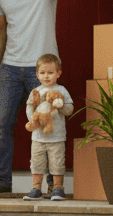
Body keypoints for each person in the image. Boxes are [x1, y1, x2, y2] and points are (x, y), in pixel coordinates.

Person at [0, 0, 82, 198]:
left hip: (42, 71)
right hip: (11, 68)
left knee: (48, 122)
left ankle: (52, 185)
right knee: (2, 126)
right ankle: (2, 180)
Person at [23, 54, 74, 201]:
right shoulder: (36, 92)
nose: (46, 76)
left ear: (58, 73)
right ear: (37, 74)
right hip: (38, 137)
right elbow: (29, 108)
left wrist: (61, 106)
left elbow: (69, 109)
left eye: (50, 73)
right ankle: (36, 188)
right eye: (43, 73)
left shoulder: (61, 90)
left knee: (57, 162)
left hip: (56, 136)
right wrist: (34, 121)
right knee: (37, 162)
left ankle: (57, 188)